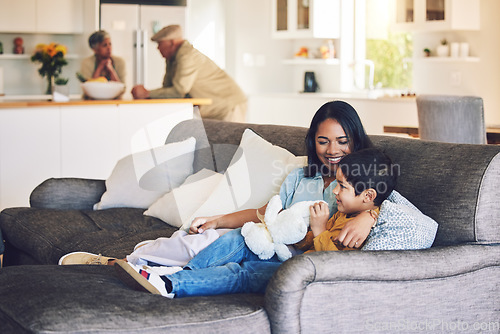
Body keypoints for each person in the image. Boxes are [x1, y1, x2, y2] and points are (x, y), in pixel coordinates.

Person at [59, 100, 377, 266]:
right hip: (262, 241)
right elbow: (265, 212)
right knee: (204, 238)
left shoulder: (361, 183)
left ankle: (131, 261)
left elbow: (391, 205)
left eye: (341, 141)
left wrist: (369, 215)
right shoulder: (300, 176)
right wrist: (217, 220)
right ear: (313, 142)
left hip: (288, 258)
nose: (332, 151)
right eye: (323, 141)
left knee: (205, 248)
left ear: (355, 141)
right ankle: (127, 262)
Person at [114, 147, 398, 298]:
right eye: (336, 185)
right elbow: (308, 240)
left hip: (308, 278)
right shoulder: (344, 211)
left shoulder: (354, 230)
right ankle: (180, 272)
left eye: (342, 187)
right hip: (291, 261)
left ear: (368, 196)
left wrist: (321, 228)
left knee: (243, 273)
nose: (334, 192)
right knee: (240, 241)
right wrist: (296, 230)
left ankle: (172, 284)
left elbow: (332, 264)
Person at [131, 25, 247, 122]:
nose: (158, 48)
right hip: (215, 109)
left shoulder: (187, 56)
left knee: (229, 147)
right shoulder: (172, 58)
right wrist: (149, 94)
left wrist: (147, 93)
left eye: (160, 44)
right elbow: (168, 89)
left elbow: (178, 92)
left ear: (172, 43)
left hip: (228, 107)